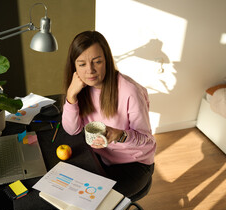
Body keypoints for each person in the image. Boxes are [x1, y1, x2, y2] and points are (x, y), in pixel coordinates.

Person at [62, 31, 156, 198]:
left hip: (133, 163)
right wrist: (71, 96)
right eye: (82, 64)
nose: (90, 70)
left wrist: (120, 136)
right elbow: (72, 130)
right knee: (70, 196)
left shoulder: (129, 91)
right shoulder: (81, 89)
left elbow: (148, 141)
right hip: (99, 158)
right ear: (74, 66)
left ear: (106, 61)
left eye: (97, 62)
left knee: (95, 204)